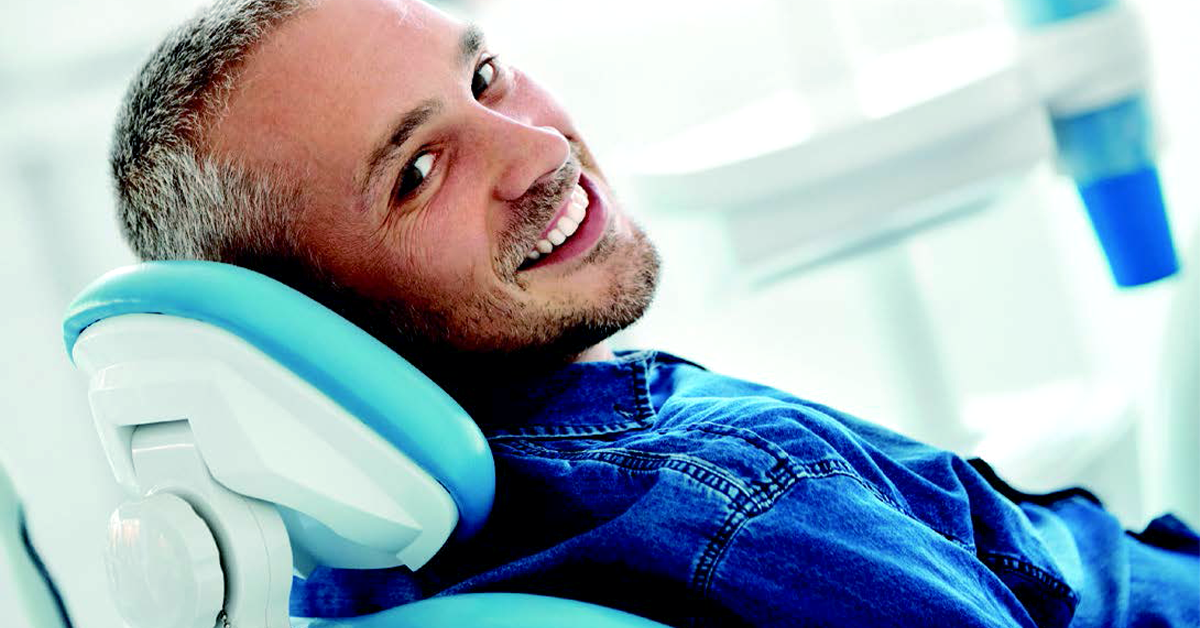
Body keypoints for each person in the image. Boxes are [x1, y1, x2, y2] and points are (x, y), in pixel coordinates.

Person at [109, 0, 1199, 625]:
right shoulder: (730, 499)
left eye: (487, 77)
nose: (538, 148)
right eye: (419, 169)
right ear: (311, 322)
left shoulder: (351, 588)